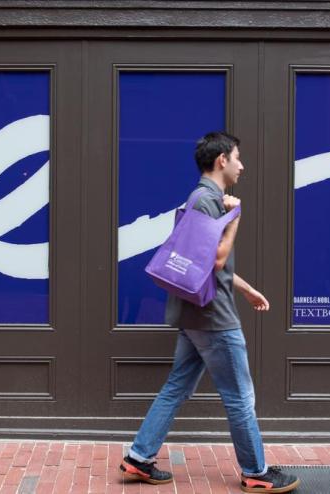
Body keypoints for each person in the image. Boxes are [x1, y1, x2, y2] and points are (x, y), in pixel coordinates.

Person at [119, 132, 300, 493]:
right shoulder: (208, 202)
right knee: (239, 396)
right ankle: (256, 471)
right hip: (213, 318)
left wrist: (246, 290)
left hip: (194, 315)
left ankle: (139, 458)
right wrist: (235, 216)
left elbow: (208, 264)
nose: (241, 165)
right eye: (237, 158)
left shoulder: (202, 199)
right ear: (221, 160)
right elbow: (215, 260)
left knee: (176, 387)